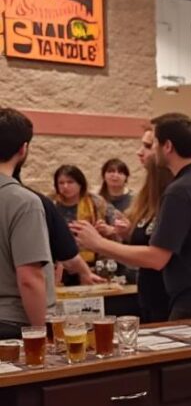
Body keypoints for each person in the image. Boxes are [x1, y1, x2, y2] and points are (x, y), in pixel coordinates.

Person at [71, 113, 191, 320]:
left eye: (153, 145)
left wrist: (98, 243)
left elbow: (156, 258)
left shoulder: (180, 190)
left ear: (167, 146)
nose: (150, 152)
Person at [0, 108, 53, 339]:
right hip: (11, 323)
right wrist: (40, 334)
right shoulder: (23, 201)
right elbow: (29, 278)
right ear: (23, 149)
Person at [121, 143, 175, 323]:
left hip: (168, 295)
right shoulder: (146, 199)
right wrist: (126, 233)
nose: (140, 152)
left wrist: (99, 243)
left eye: (148, 145)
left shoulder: (173, 196)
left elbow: (156, 257)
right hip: (147, 292)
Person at [52, 164, 119, 264]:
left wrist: (110, 230)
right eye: (61, 183)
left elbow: (121, 226)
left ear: (80, 184)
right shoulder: (51, 204)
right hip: (60, 262)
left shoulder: (96, 202)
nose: (65, 186)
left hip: (95, 262)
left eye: (70, 182)